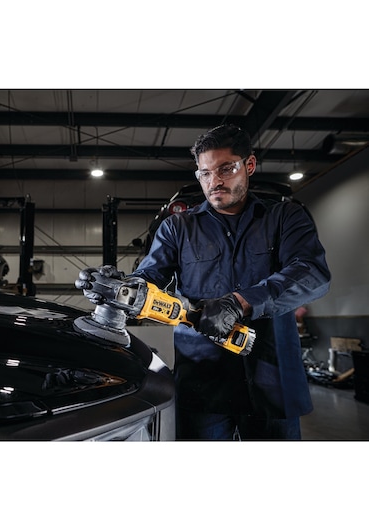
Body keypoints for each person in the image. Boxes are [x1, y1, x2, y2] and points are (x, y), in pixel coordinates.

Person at [76, 124, 331, 440]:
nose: (215, 181)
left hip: (271, 378)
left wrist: (239, 302)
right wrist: (121, 287)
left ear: (248, 165)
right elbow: (150, 276)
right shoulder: (177, 228)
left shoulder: (284, 217)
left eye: (226, 169)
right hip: (202, 383)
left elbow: (313, 273)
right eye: (205, 173)